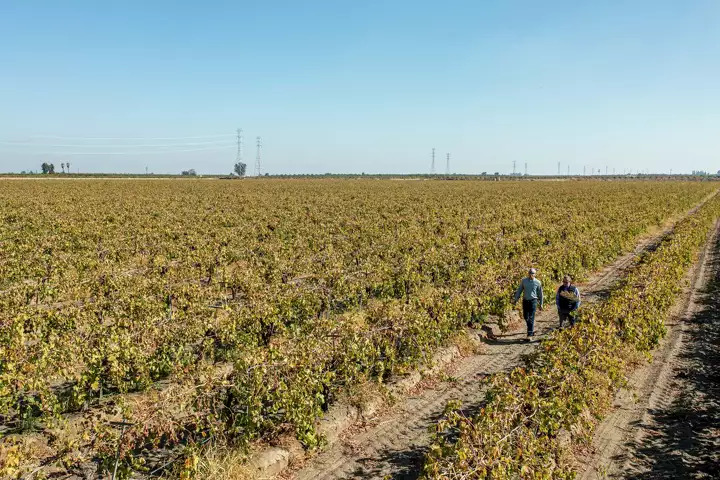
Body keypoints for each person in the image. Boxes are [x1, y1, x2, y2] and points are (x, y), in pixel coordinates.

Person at [513, 268, 543, 341]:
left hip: (533, 301)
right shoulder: (524, 281)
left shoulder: (538, 282)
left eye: (532, 273)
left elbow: (540, 294)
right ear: (528, 273)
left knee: (531, 317)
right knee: (525, 316)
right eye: (530, 273)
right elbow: (520, 290)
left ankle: (529, 334)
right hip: (525, 300)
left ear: (535, 274)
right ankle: (530, 329)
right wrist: (516, 299)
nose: (531, 275)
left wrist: (541, 304)